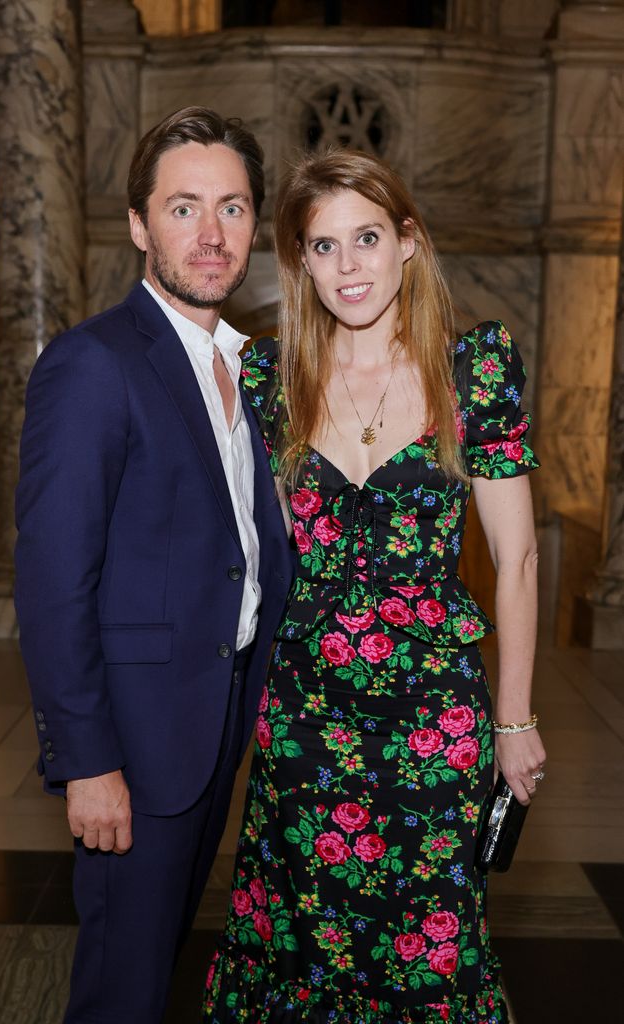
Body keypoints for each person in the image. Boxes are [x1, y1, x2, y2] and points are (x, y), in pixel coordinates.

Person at [203, 147, 546, 1023]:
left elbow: (518, 560)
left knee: (427, 944)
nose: (347, 266)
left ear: (408, 242)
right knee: (299, 935)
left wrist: (514, 721)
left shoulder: (476, 370)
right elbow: (258, 548)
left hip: (434, 720)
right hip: (304, 715)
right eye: (323, 247)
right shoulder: (272, 379)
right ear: (301, 262)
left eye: (365, 238)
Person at [14, 106, 293, 1024]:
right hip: (132, 746)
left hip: (211, 727)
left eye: (232, 208)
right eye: (182, 208)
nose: (210, 236)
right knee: (121, 989)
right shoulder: (94, 363)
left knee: (158, 960)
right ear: (139, 224)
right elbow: (55, 583)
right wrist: (87, 761)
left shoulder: (245, 369)